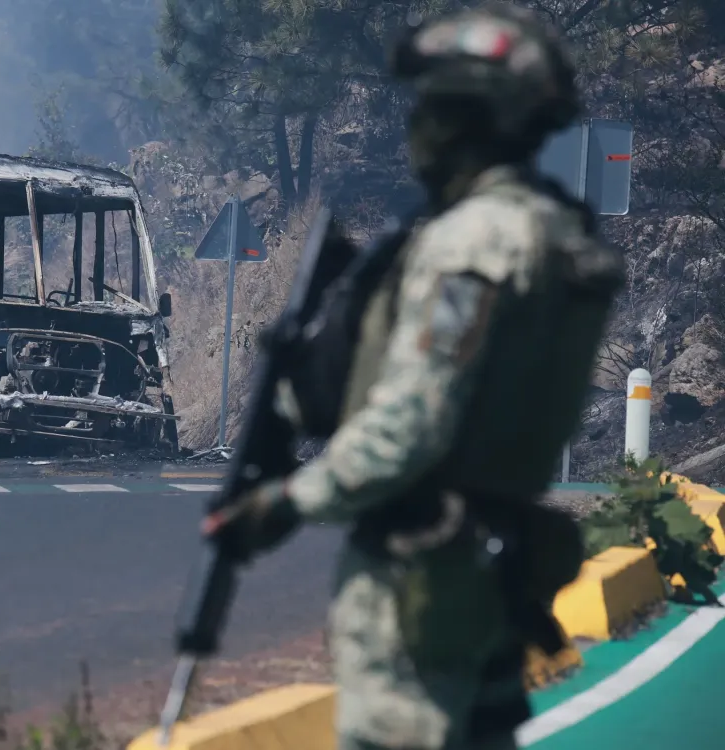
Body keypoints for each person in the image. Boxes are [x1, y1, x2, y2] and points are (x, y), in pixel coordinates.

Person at [205, 3, 625, 749]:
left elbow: (414, 423)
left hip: (423, 576)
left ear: (468, 120)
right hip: (498, 566)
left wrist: (287, 501)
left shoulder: (474, 244)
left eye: (433, 106)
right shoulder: (562, 235)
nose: (417, 127)